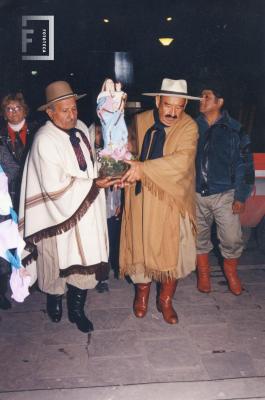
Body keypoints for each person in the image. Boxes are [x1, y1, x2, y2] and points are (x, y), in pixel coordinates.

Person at [18, 81, 120, 333]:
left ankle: (77, 310)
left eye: (74, 108)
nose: (72, 115)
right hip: (54, 216)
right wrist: (95, 183)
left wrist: (110, 165)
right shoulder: (44, 140)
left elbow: (90, 161)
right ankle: (54, 300)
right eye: (64, 111)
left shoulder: (81, 127)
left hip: (86, 208)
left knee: (84, 259)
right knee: (55, 261)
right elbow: (55, 187)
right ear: (50, 112)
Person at [119, 78, 200, 324]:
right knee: (140, 246)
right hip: (141, 199)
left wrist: (141, 169)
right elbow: (130, 151)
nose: (173, 113)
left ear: (185, 105)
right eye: (167, 105)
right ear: (157, 101)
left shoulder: (189, 127)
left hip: (170, 201)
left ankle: (165, 299)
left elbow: (182, 162)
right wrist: (120, 160)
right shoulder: (141, 121)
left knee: (170, 253)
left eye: (179, 107)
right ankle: (141, 294)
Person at [195, 82, 254, 295]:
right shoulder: (192, 127)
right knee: (198, 237)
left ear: (220, 102)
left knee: (231, 237)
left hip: (225, 194)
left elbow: (245, 166)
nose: (201, 100)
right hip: (196, 194)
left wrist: (241, 196)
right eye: (201, 96)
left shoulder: (235, 129)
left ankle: (231, 273)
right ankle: (203, 274)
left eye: (207, 96)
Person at [0, 92, 38, 211]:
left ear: (24, 110)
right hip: (12, 192)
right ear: (5, 114)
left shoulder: (38, 130)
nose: (14, 111)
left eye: (17, 108)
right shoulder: (1, 136)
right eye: (9, 109)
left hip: (36, 186)